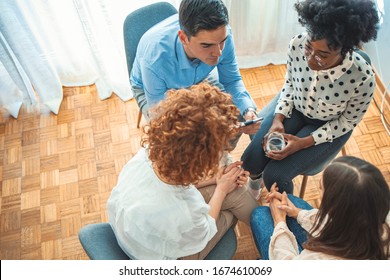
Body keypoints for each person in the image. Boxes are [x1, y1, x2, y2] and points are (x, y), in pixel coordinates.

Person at [241, 0, 380, 196]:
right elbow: (289, 84)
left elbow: (347, 122)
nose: (310, 59)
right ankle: (255, 186)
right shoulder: (297, 44)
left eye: (323, 55)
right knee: (251, 160)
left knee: (276, 176)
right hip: (295, 109)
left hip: (329, 127)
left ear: (345, 49)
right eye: (309, 47)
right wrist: (278, 119)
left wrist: (303, 142)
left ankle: (283, 212)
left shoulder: (362, 77)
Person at [107, 83, 258, 260]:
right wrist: (221, 190)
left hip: (134, 233)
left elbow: (179, 185)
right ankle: (274, 238)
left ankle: (270, 231)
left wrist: (217, 180)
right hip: (167, 257)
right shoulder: (184, 212)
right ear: (199, 160)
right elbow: (205, 228)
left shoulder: (147, 154)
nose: (223, 154)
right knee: (230, 211)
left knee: (234, 193)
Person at [130, 0, 260, 135]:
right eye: (206, 45)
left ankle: (220, 152)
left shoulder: (221, 36)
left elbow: (232, 81)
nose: (218, 53)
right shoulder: (154, 60)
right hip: (154, 90)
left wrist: (248, 110)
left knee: (235, 114)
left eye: (222, 42)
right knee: (179, 142)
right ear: (183, 38)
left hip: (199, 77)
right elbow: (161, 117)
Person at [250, 156, 390, 260]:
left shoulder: (319, 260)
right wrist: (297, 213)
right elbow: (338, 224)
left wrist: (279, 222)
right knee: (290, 201)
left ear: (335, 207)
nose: (319, 192)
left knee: (259, 215)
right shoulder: (378, 219)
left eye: (321, 188)